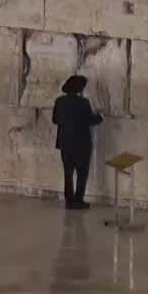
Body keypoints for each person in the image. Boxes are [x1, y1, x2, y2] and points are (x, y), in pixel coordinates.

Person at [53, 74, 103, 210]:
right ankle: (78, 200)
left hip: (65, 143)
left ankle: (69, 201)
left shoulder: (59, 101)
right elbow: (91, 121)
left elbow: (55, 120)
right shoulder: (83, 103)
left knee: (67, 173)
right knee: (82, 173)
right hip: (82, 144)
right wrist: (100, 116)